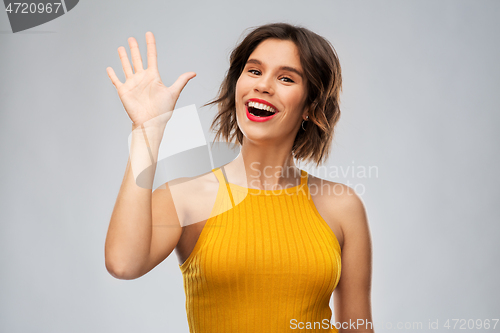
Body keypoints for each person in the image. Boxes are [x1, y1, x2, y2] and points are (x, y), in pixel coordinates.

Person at [105, 22, 374, 333]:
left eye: (286, 78)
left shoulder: (342, 206)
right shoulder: (187, 197)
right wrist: (145, 133)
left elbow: (358, 328)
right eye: (255, 71)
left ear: (310, 107)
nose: (263, 86)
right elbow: (123, 264)